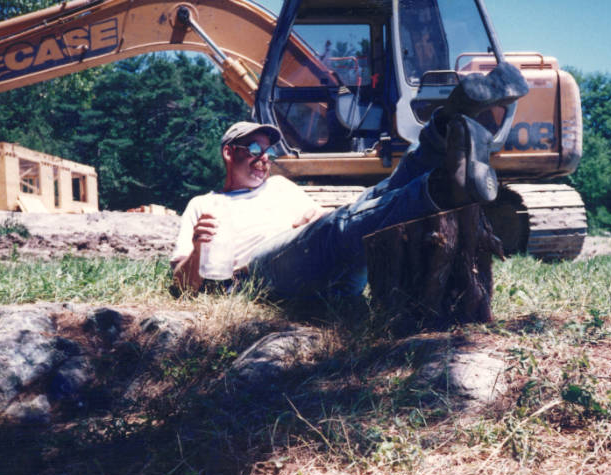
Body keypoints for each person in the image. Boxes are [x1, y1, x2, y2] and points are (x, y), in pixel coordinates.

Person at [171, 62, 529, 298]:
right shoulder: (205, 204)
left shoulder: (280, 186)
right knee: (339, 227)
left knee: (377, 195)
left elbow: (327, 219)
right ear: (228, 152)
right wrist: (200, 248)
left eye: (269, 151)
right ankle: (445, 181)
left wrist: (310, 220)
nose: (264, 158)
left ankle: (446, 125)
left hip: (321, 259)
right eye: (253, 148)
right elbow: (183, 285)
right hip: (258, 273)